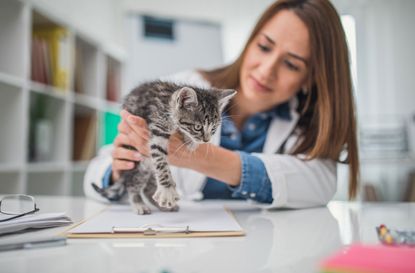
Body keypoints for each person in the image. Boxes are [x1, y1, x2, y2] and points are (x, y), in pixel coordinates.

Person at [84, 0, 359, 208]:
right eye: (264, 47)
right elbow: (95, 174)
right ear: (250, 42)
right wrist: (120, 169)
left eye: (290, 64)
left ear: (311, 78)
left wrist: (199, 157)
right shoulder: (181, 91)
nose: (265, 71)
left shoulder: (307, 124)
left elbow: (321, 185)